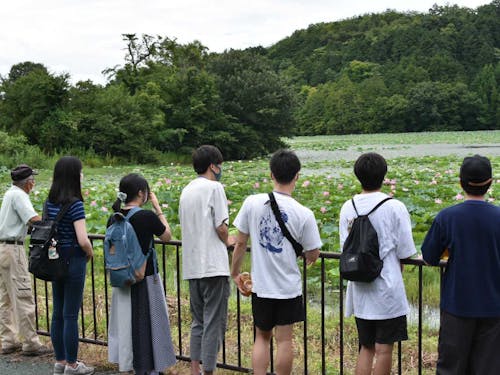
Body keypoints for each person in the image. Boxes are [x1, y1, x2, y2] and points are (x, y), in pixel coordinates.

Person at [231, 149, 322, 375]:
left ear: (271, 174)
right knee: (284, 340)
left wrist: (235, 272)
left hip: (261, 286)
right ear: (297, 176)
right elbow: (313, 254)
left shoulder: (252, 202)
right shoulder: (304, 213)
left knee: (261, 337)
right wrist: (305, 256)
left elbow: (240, 243)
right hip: (288, 288)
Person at [421, 154, 500, 375]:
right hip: (494, 306)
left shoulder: (447, 217)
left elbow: (428, 257)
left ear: (460, 182)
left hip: (457, 304)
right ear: (490, 183)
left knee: (451, 368)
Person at [338, 152, 416, 375]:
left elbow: (345, 246)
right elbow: (406, 250)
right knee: (384, 350)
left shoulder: (348, 207)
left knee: (366, 347)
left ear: (358, 176)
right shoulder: (395, 207)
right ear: (384, 175)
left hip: (359, 288)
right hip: (387, 289)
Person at [107, 173, 176, 375]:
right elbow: (167, 236)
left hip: (121, 277)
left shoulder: (114, 217)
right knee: (148, 323)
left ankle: (130, 363)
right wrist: (158, 209)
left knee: (127, 324)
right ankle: (149, 368)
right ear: (141, 192)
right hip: (145, 278)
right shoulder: (146, 216)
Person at [179, 145, 231, 375]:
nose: (220, 169)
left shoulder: (186, 190)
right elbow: (221, 226)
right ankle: (209, 370)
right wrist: (230, 239)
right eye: (219, 164)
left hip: (192, 266)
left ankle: (194, 369)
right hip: (213, 265)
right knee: (214, 323)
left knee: (198, 321)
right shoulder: (214, 187)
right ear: (213, 165)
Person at [46, 157, 95, 375]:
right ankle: (73, 365)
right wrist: (90, 252)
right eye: (81, 172)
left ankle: (60, 361)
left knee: (57, 312)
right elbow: (83, 239)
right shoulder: (75, 204)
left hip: (55, 259)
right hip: (74, 259)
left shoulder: (49, 202)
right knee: (70, 315)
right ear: (74, 176)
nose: (82, 176)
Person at [0, 164, 52, 356]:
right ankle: (31, 342)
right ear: (28, 183)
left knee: (5, 299)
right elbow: (33, 219)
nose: (34, 183)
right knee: (23, 295)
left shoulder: (9, 193)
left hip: (2, 248)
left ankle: (8, 341)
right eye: (33, 180)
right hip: (14, 249)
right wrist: (50, 225)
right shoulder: (20, 196)